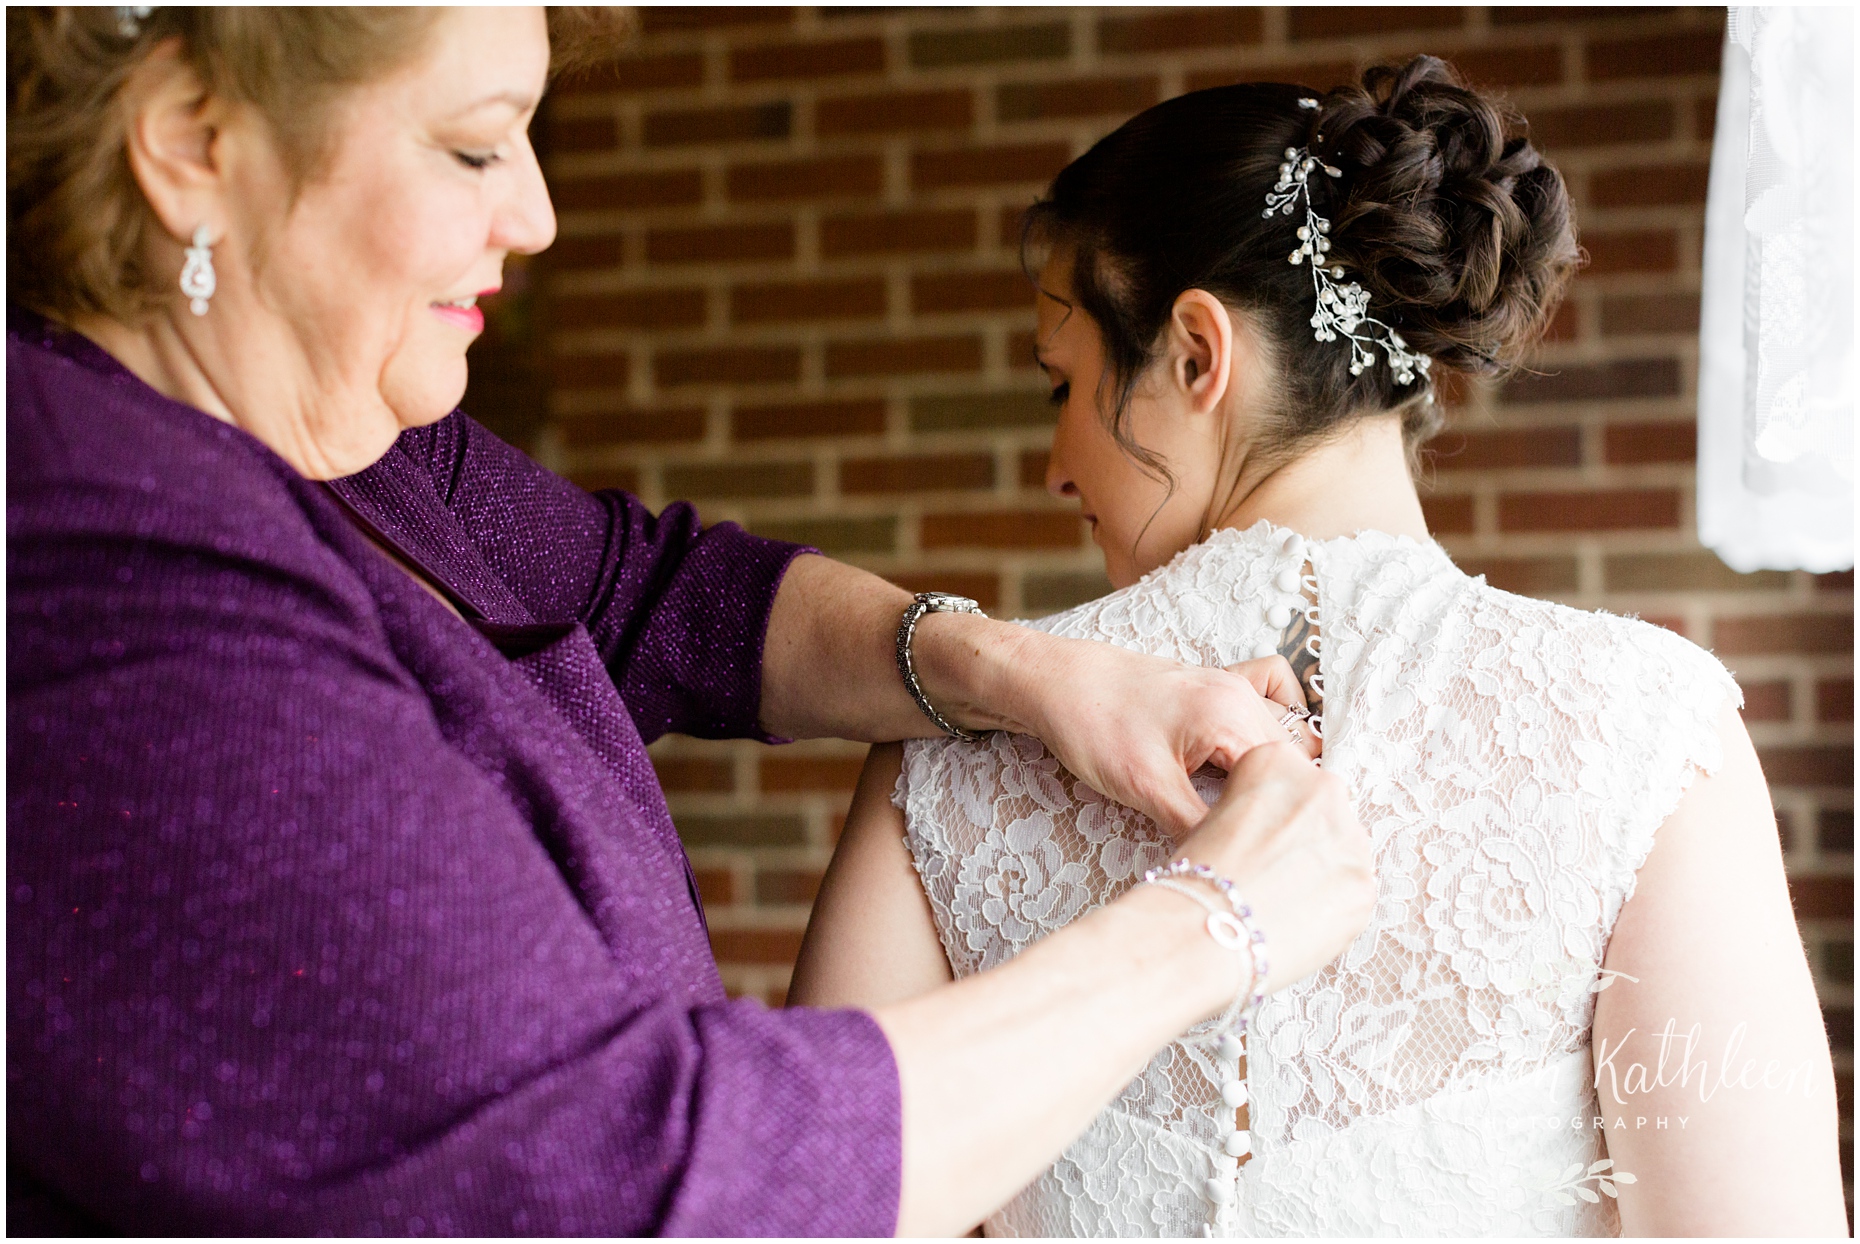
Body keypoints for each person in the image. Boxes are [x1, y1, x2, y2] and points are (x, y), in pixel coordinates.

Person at [5, 8, 1376, 1236]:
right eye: (478, 148)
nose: (536, 214)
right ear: (193, 142)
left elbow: (660, 595)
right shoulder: (90, 556)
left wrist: (1027, 673)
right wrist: (1209, 929)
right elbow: (640, 1181)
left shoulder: (374, 450)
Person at [791, 59, 1849, 1236]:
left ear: (1197, 354)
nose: (1056, 465)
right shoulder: (1649, 730)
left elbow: (814, 1199)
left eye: (1064, 383)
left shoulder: (951, 746)